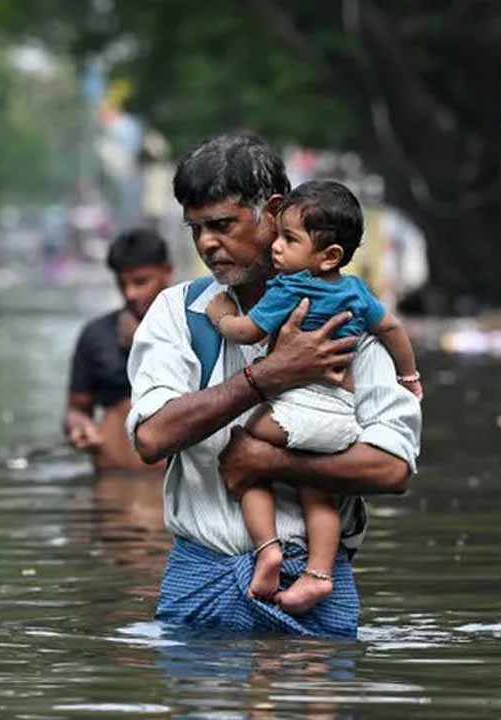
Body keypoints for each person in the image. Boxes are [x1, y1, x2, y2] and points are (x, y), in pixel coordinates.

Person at [126, 134, 421, 637]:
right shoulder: (180, 313)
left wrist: (270, 462)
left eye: (222, 225)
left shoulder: (349, 316)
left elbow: (393, 468)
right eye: (195, 229)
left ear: (274, 211)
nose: (207, 244)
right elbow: (152, 437)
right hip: (199, 588)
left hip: (315, 590)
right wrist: (268, 377)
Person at [203, 180, 422, 614]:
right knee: (317, 486)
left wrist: (221, 316)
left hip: (298, 410)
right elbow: (393, 330)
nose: (277, 249)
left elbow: (249, 332)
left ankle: (267, 549)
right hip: (342, 417)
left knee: (242, 451)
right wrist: (409, 375)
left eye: (288, 239)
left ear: (329, 255)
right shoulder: (358, 292)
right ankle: (319, 574)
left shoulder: (288, 290)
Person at [65, 228, 173, 472]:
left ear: (167, 273)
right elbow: (76, 409)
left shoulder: (196, 327)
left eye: (141, 282)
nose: (130, 293)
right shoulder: (96, 335)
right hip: (113, 479)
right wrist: (80, 426)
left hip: (176, 484)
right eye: (122, 283)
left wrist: (146, 343)